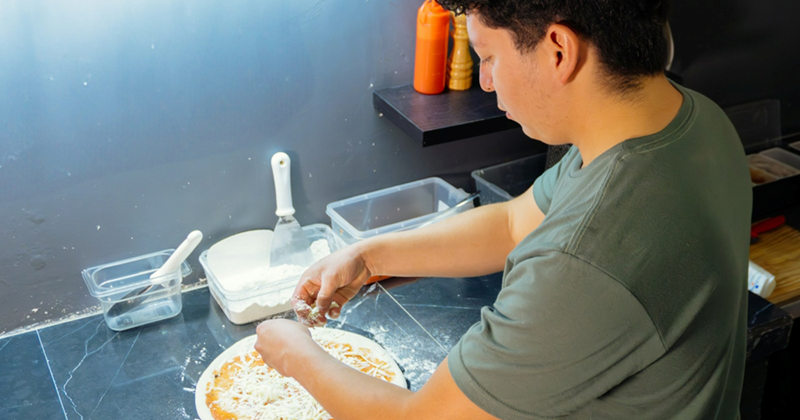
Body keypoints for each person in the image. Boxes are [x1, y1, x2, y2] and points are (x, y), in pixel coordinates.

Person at [254, 0, 752, 418]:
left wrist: (295, 356)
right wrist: (370, 256)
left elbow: (423, 418)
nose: (486, 82)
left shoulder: (584, 261)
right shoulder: (688, 121)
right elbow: (516, 223)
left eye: (487, 56)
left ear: (559, 51)